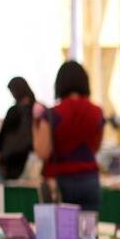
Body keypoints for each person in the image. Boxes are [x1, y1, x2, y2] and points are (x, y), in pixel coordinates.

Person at [32, 61, 105, 211]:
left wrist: (35, 124)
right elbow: (96, 147)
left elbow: (43, 152)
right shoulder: (97, 112)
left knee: (61, 231)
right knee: (88, 231)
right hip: (89, 179)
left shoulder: (52, 114)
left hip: (61, 181)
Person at [0, 77, 36, 180]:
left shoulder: (13, 111)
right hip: (32, 158)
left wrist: (1, 157)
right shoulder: (36, 108)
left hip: (12, 160)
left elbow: (2, 136)